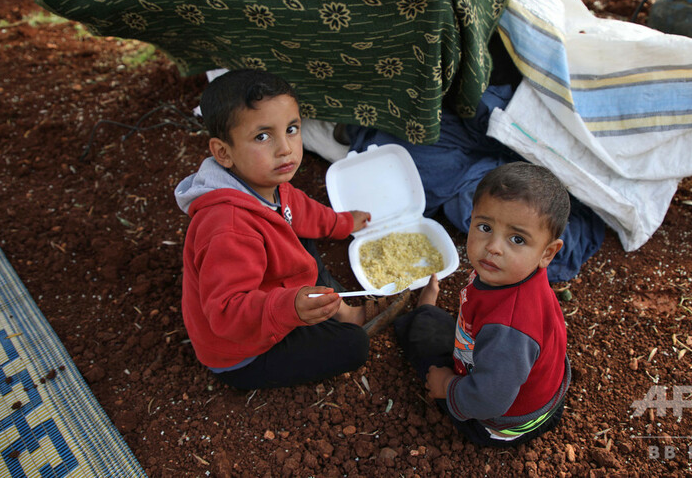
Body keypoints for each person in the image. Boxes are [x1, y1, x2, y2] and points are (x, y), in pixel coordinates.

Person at [174, 69, 408, 390]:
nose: (285, 148)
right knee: (352, 346)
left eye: (292, 129)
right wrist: (289, 307)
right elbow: (227, 314)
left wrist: (343, 223)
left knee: (301, 236)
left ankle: (341, 311)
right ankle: (336, 321)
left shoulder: (264, 181)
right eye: (262, 136)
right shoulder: (227, 229)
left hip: (270, 301)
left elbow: (300, 209)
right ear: (223, 152)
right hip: (241, 350)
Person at [394, 162, 571, 446]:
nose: (493, 246)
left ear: (547, 253)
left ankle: (423, 313)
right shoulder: (520, 275)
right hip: (536, 390)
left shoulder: (509, 330)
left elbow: (488, 400)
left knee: (422, 332)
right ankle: (427, 313)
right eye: (485, 227)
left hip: (502, 423)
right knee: (442, 327)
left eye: (517, 239)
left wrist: (446, 385)